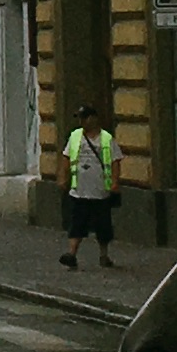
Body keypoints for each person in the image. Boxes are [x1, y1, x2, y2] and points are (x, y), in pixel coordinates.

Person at [61, 103, 121, 270]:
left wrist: (115, 181)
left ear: (93, 119)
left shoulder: (107, 139)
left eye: (84, 118)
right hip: (79, 190)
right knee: (76, 224)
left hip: (100, 191)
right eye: (80, 118)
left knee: (103, 227)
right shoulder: (75, 136)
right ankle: (71, 254)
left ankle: (104, 255)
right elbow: (66, 158)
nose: (81, 122)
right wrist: (62, 177)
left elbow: (116, 161)